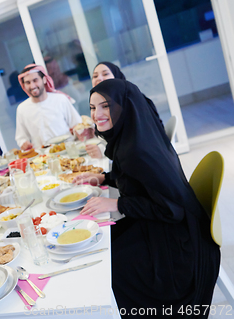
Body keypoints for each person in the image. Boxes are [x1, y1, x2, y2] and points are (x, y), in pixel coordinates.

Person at [73, 79, 220, 318]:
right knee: (108, 241)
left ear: (123, 105)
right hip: (176, 229)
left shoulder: (136, 152)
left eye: (105, 106)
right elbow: (141, 181)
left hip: (182, 249)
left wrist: (117, 203)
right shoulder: (135, 136)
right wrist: (104, 178)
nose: (96, 114)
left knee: (109, 266)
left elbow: (171, 210)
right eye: (92, 107)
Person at [87, 61, 163, 159]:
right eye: (95, 76)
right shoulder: (102, 101)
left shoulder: (131, 101)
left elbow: (133, 142)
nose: (99, 79)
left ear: (116, 76)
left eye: (105, 74)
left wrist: (102, 151)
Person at [15, 64, 82, 150]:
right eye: (28, 83)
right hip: (42, 158)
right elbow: (21, 138)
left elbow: (77, 124)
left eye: (35, 80)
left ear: (44, 80)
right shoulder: (22, 109)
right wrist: (24, 143)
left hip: (68, 151)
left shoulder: (60, 99)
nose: (32, 86)